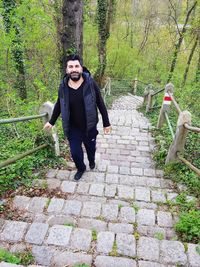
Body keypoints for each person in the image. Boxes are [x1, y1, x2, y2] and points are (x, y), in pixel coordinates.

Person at [44, 54, 111, 180]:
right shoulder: (63, 87)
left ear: (81, 68)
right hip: (72, 128)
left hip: (89, 126)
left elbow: (100, 103)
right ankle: (81, 168)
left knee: (91, 149)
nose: (74, 69)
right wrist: (51, 122)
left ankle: (91, 160)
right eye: (71, 67)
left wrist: (106, 123)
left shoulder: (91, 84)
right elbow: (59, 104)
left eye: (76, 66)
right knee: (75, 153)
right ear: (67, 70)